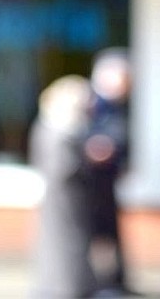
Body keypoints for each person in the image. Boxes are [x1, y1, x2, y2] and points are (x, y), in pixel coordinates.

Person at [29, 75, 97, 299]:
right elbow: (60, 167)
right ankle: (63, 288)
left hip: (70, 201)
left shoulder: (63, 129)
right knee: (63, 248)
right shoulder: (57, 130)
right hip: (63, 200)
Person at [84, 48, 131, 295]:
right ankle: (102, 284)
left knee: (110, 232)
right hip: (93, 183)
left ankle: (116, 282)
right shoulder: (91, 104)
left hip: (109, 180)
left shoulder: (119, 105)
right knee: (98, 234)